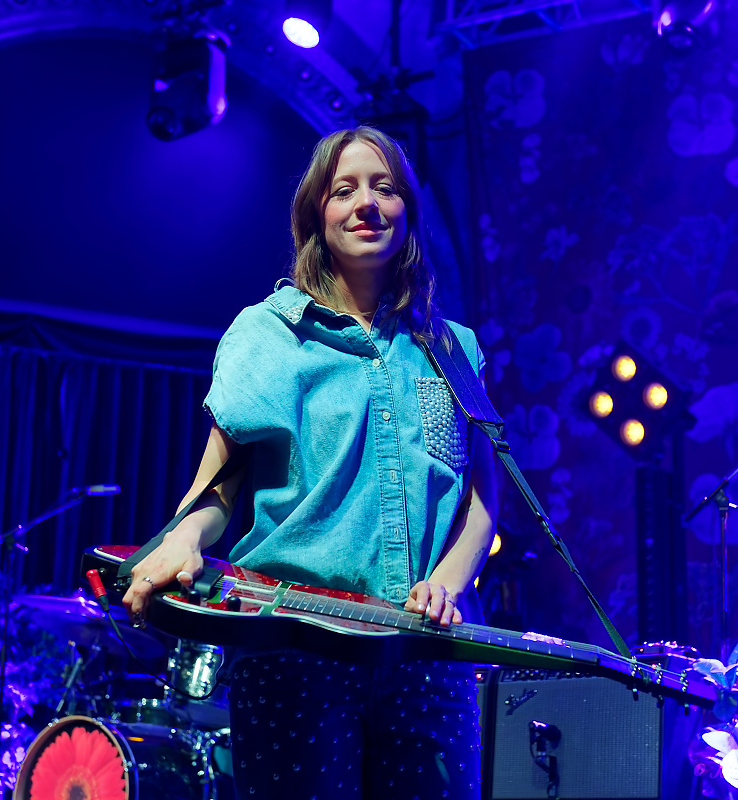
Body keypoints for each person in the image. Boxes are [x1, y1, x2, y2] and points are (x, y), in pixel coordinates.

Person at [122, 126, 496, 799]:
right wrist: (181, 538)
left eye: (385, 188)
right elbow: (219, 486)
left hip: (423, 655)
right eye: (344, 189)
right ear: (315, 215)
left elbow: (480, 500)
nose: (366, 204)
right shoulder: (268, 332)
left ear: (408, 211)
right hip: (294, 648)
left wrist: (447, 581)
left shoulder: (452, 346)